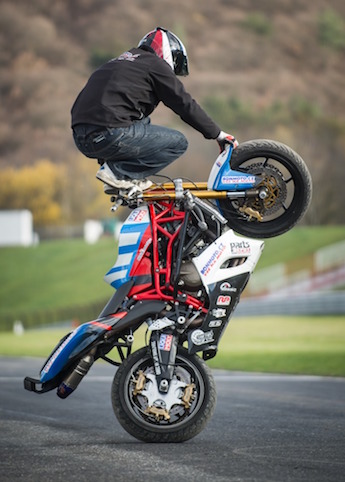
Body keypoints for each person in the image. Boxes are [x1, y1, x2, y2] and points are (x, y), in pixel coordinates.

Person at [71, 27, 238, 192]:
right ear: (168, 55)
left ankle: (117, 177)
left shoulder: (117, 62)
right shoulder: (155, 64)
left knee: (143, 122)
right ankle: (118, 174)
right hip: (109, 133)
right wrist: (218, 134)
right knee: (178, 142)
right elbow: (184, 104)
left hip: (82, 138)